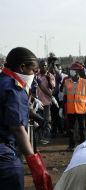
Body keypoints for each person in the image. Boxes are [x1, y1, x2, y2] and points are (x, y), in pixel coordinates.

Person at [0, 47, 52, 190]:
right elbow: (17, 128)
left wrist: (36, 117)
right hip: (4, 153)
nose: (34, 75)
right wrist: (35, 164)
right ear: (22, 67)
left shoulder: (2, 81)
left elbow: (8, 109)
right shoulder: (14, 88)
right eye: (33, 71)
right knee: (14, 177)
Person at [61, 62, 86, 150]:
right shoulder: (67, 82)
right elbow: (65, 96)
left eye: (72, 70)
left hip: (81, 108)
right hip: (70, 109)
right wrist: (61, 108)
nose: (70, 72)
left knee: (82, 127)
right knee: (70, 128)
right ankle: (71, 145)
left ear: (77, 72)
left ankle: (83, 145)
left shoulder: (84, 82)